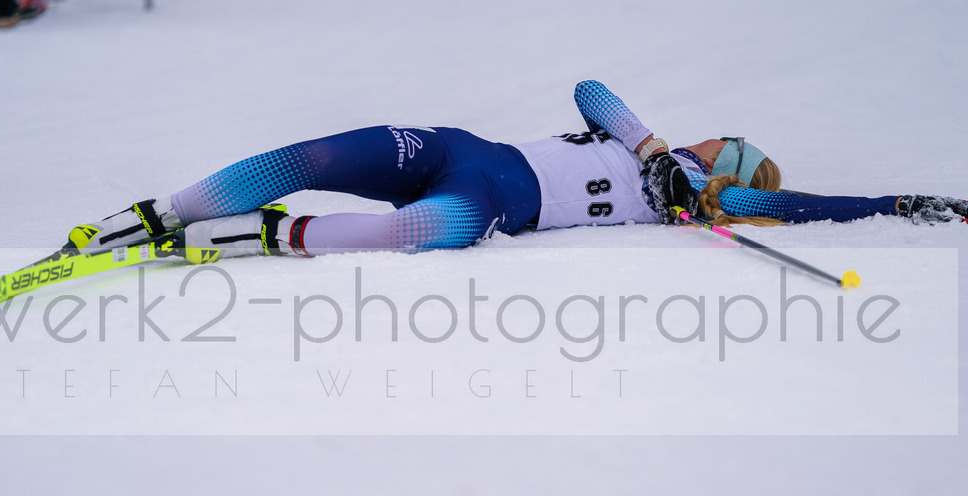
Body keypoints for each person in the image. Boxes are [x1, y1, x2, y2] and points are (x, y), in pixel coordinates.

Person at [59, 80, 968, 264]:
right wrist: (653, 152)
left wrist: (906, 204)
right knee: (318, 156)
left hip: (489, 201)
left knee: (429, 232)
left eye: (714, 164)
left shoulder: (703, 210)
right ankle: (160, 211)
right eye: (701, 151)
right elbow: (591, 87)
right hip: (460, 150)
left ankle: (260, 233)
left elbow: (807, 206)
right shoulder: (644, 143)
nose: (698, 160)